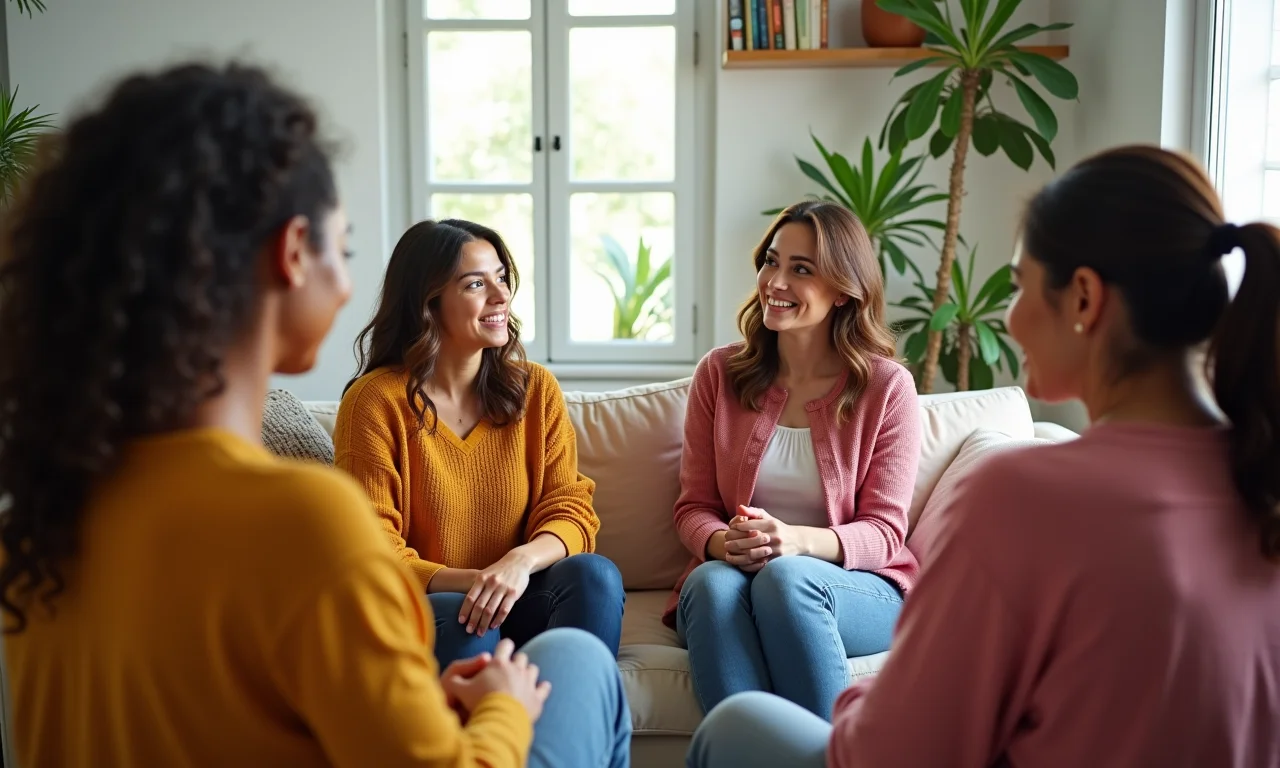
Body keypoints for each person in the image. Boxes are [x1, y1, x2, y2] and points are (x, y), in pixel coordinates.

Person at [0, 62, 630, 768]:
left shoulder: (40, 521)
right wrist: (504, 711)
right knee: (578, 663)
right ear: (293, 253)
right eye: (344, 245)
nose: (349, 278)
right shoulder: (303, 517)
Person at [687, 145, 1280, 768]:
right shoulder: (1259, 483)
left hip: (859, 662)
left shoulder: (1019, 493)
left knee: (733, 727)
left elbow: (900, 745)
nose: (1011, 319)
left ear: (1083, 298)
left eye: (1020, 285)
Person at [666, 200, 921, 720]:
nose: (775, 282)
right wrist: (722, 542)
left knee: (788, 578)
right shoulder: (720, 373)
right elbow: (693, 507)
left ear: (845, 290)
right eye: (771, 261)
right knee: (710, 585)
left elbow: (886, 532)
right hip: (737, 575)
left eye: (800, 270)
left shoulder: (886, 387)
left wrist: (797, 543)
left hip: (857, 590)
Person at [334, 218, 625, 669]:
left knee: (595, 576)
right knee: (464, 614)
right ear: (429, 303)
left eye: (502, 278)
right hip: (434, 611)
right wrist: (473, 582)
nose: (501, 295)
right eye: (475, 284)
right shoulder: (374, 403)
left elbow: (570, 509)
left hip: (521, 595)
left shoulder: (535, 389)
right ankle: (483, 736)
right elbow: (371, 548)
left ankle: (577, 724)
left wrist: (517, 564)